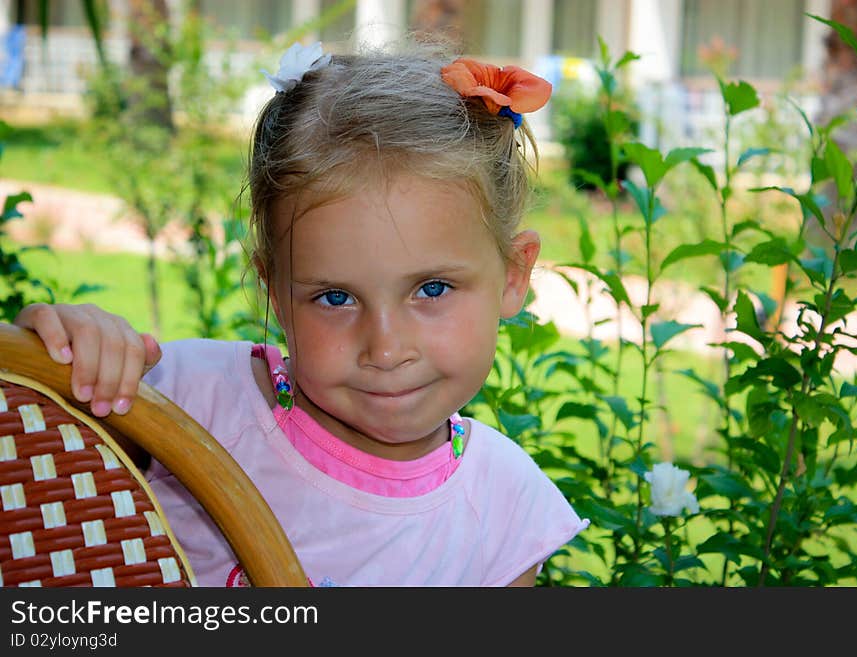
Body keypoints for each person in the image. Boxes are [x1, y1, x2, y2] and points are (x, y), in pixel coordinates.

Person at [14, 40, 589, 586]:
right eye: (335, 298)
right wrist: (69, 352)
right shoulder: (184, 400)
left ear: (513, 275)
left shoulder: (509, 511)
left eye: (432, 289)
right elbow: (32, 448)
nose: (386, 349)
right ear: (275, 291)